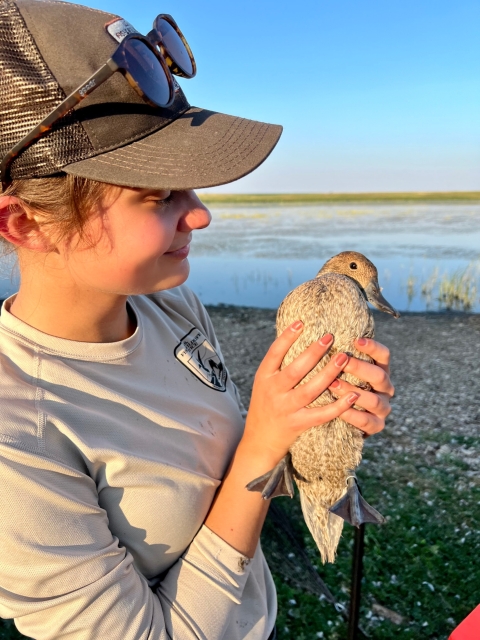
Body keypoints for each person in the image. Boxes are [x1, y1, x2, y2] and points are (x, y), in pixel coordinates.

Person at [0, 1, 394, 639]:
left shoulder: (166, 304)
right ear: (24, 224)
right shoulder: (16, 436)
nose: (201, 214)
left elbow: (219, 468)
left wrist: (306, 424)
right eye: (158, 196)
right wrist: (265, 441)